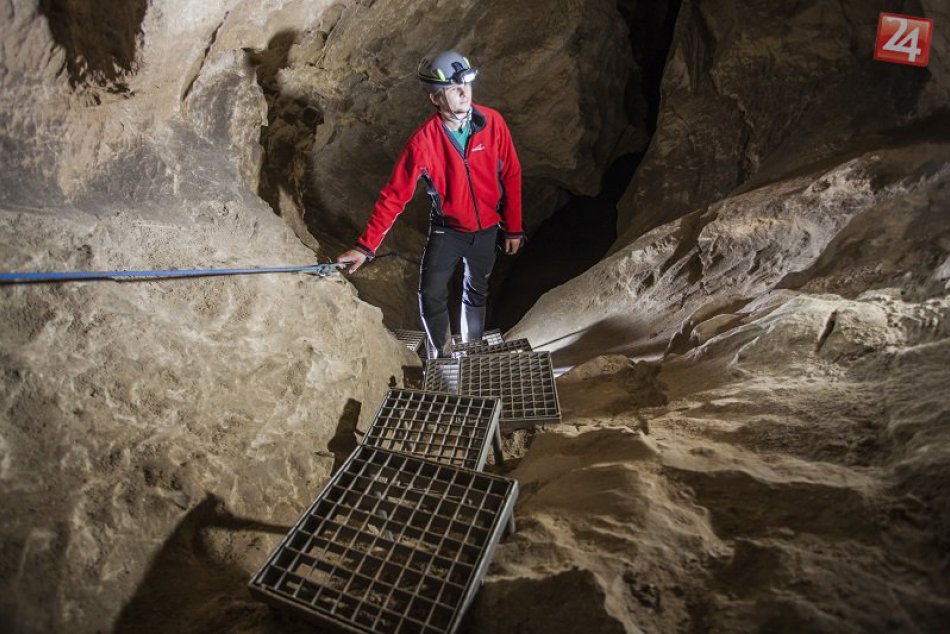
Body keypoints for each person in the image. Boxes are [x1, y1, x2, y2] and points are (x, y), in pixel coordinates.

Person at [337, 50, 523, 358]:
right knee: (431, 293)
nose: (464, 92)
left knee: (477, 290)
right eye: (453, 88)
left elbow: (512, 173)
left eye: (466, 84)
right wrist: (365, 247)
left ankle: (473, 350)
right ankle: (442, 354)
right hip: (447, 231)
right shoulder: (423, 143)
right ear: (436, 98)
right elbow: (394, 197)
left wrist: (513, 227)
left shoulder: (492, 122)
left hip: (488, 230)